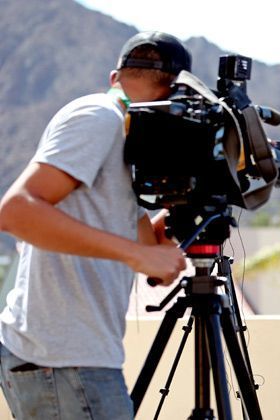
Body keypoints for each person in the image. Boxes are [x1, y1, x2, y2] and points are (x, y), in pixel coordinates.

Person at [0, 31, 191, 419]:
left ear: (115, 75)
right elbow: (16, 212)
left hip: (71, 358)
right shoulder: (99, 116)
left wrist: (200, 198)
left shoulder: (125, 140)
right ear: (177, 93)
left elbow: (148, 247)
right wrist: (139, 254)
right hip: (62, 358)